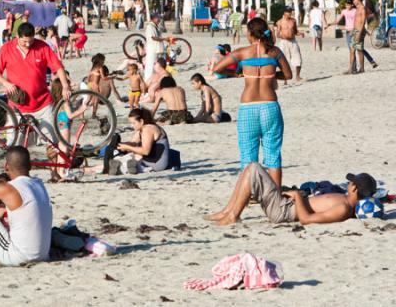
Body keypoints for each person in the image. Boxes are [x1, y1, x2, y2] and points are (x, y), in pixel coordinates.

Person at [213, 17, 292, 187]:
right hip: (270, 105)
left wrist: (236, 74)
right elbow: (288, 75)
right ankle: (275, 194)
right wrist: (272, 74)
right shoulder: (274, 52)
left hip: (248, 106)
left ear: (250, 33)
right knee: (273, 154)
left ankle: (250, 193)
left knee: (248, 155)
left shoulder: (242, 52)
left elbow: (217, 68)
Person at [206, 163, 376, 226]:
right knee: (251, 168)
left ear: (354, 189)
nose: (348, 183)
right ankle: (228, 211)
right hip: (287, 205)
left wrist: (297, 196)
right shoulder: (344, 200)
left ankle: (233, 215)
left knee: (253, 169)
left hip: (284, 211)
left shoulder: (342, 208)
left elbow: (306, 220)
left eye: (351, 182)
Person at [0, 22, 70, 148]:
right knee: (14, 146)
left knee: (52, 144)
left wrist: (65, 86)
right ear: (17, 36)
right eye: (24, 42)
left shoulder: (42, 47)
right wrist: (6, 83)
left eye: (31, 41)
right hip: (17, 106)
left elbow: (58, 67)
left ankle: (55, 168)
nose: (28, 44)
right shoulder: (6, 48)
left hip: (43, 104)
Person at [103, 107, 171, 174]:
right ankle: (124, 166)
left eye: (133, 123)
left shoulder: (148, 129)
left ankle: (122, 167)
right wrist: (121, 145)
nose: (132, 126)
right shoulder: (143, 128)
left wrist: (127, 147)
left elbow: (145, 151)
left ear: (141, 121)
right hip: (153, 159)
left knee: (132, 155)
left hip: (156, 163)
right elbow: (133, 143)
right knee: (128, 154)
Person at [274, 7, 302, 83]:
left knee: (298, 58)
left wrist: (301, 34)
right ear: (284, 13)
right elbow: (277, 34)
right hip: (284, 42)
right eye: (288, 12)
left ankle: (298, 76)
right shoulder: (279, 22)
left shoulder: (293, 21)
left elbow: (295, 31)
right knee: (283, 60)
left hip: (293, 41)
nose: (290, 13)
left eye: (290, 11)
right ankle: (285, 78)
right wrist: (283, 36)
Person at [143, 12, 166, 82]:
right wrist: (164, 39)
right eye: (158, 18)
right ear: (154, 18)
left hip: (156, 50)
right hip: (152, 49)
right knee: (150, 67)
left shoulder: (155, 26)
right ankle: (147, 82)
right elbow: (153, 37)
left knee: (155, 67)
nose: (159, 20)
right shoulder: (150, 27)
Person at [351, 0, 368, 74]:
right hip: (355, 30)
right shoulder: (357, 8)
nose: (353, 1)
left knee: (359, 50)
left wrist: (359, 33)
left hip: (359, 31)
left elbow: (363, 22)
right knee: (352, 49)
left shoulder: (362, 8)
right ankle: (351, 69)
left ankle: (362, 68)